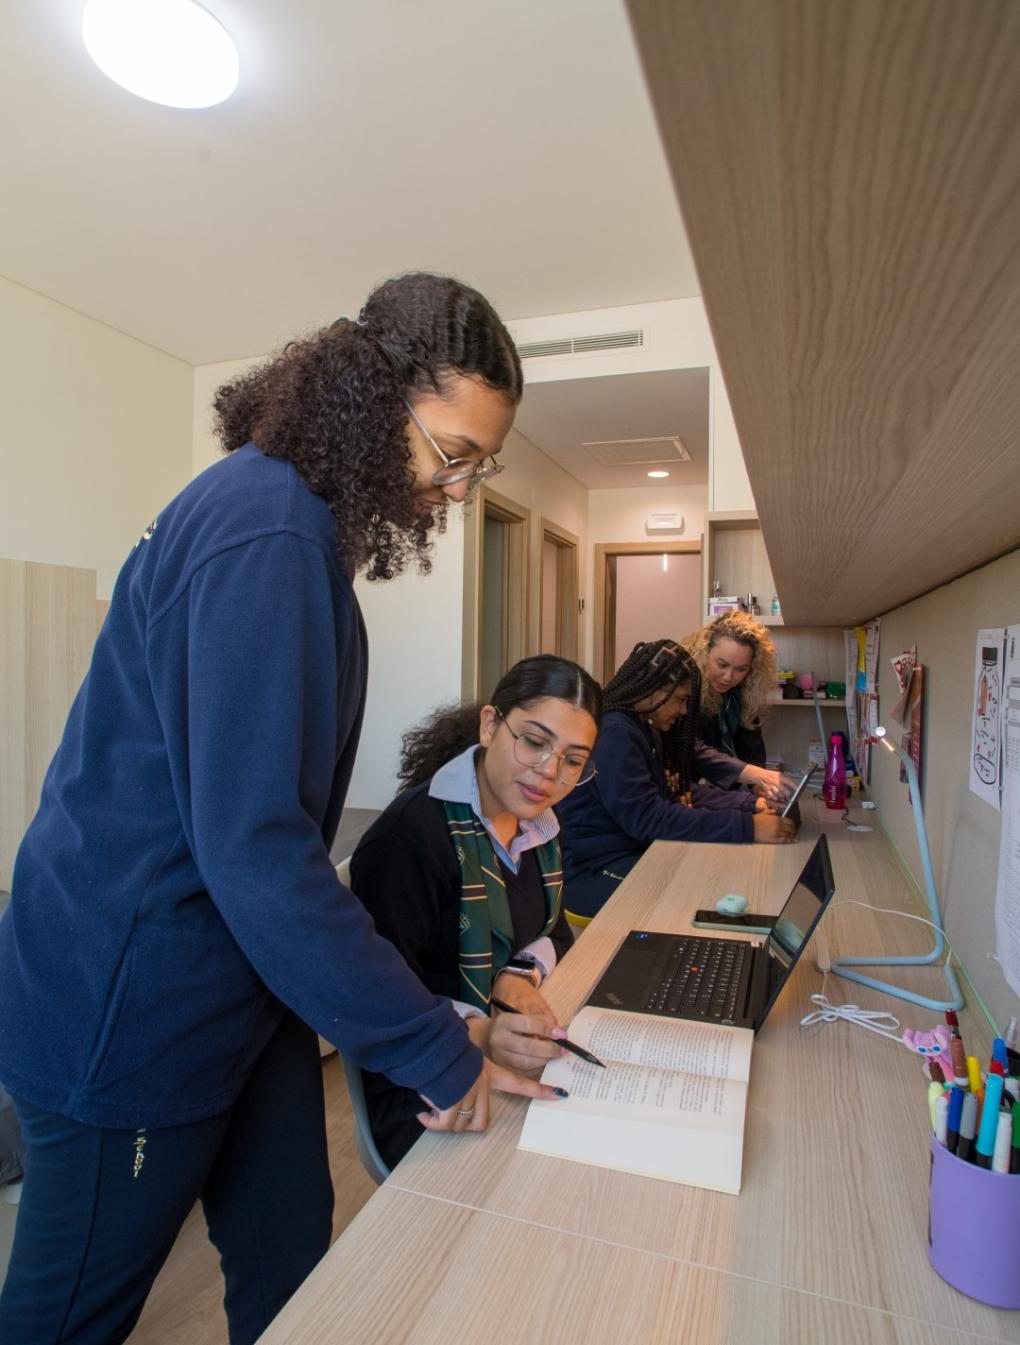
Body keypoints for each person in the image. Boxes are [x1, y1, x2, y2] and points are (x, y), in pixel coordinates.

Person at [0, 273, 557, 1345]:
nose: (456, 489)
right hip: (133, 998)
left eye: (478, 466)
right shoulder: (270, 536)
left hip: (232, 982)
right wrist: (434, 1047)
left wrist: (447, 1022)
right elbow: (259, 853)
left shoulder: (285, 518)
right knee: (65, 1321)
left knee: (293, 1263)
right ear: (372, 400)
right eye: (450, 454)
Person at [349, 655, 601, 1169]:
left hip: (504, 1054)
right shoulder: (410, 841)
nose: (550, 772)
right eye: (534, 741)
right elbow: (376, 1001)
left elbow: (554, 931)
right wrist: (480, 1034)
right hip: (427, 1085)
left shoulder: (539, 828)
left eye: (573, 760)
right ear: (490, 725)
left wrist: (516, 977)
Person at [558, 639, 795, 921]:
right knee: (701, 895)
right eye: (681, 700)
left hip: (634, 853)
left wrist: (749, 804)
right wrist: (747, 827)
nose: (683, 710)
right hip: (594, 871)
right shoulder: (616, 732)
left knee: (719, 876)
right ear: (653, 691)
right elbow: (649, 818)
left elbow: (675, 791)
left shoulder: (643, 728)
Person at [684, 612, 793, 804]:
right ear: (704, 653)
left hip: (714, 790)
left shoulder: (742, 694)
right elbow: (695, 748)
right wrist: (757, 775)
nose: (728, 677)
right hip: (685, 788)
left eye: (741, 669)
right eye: (722, 665)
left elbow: (752, 748)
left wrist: (759, 786)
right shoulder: (684, 689)